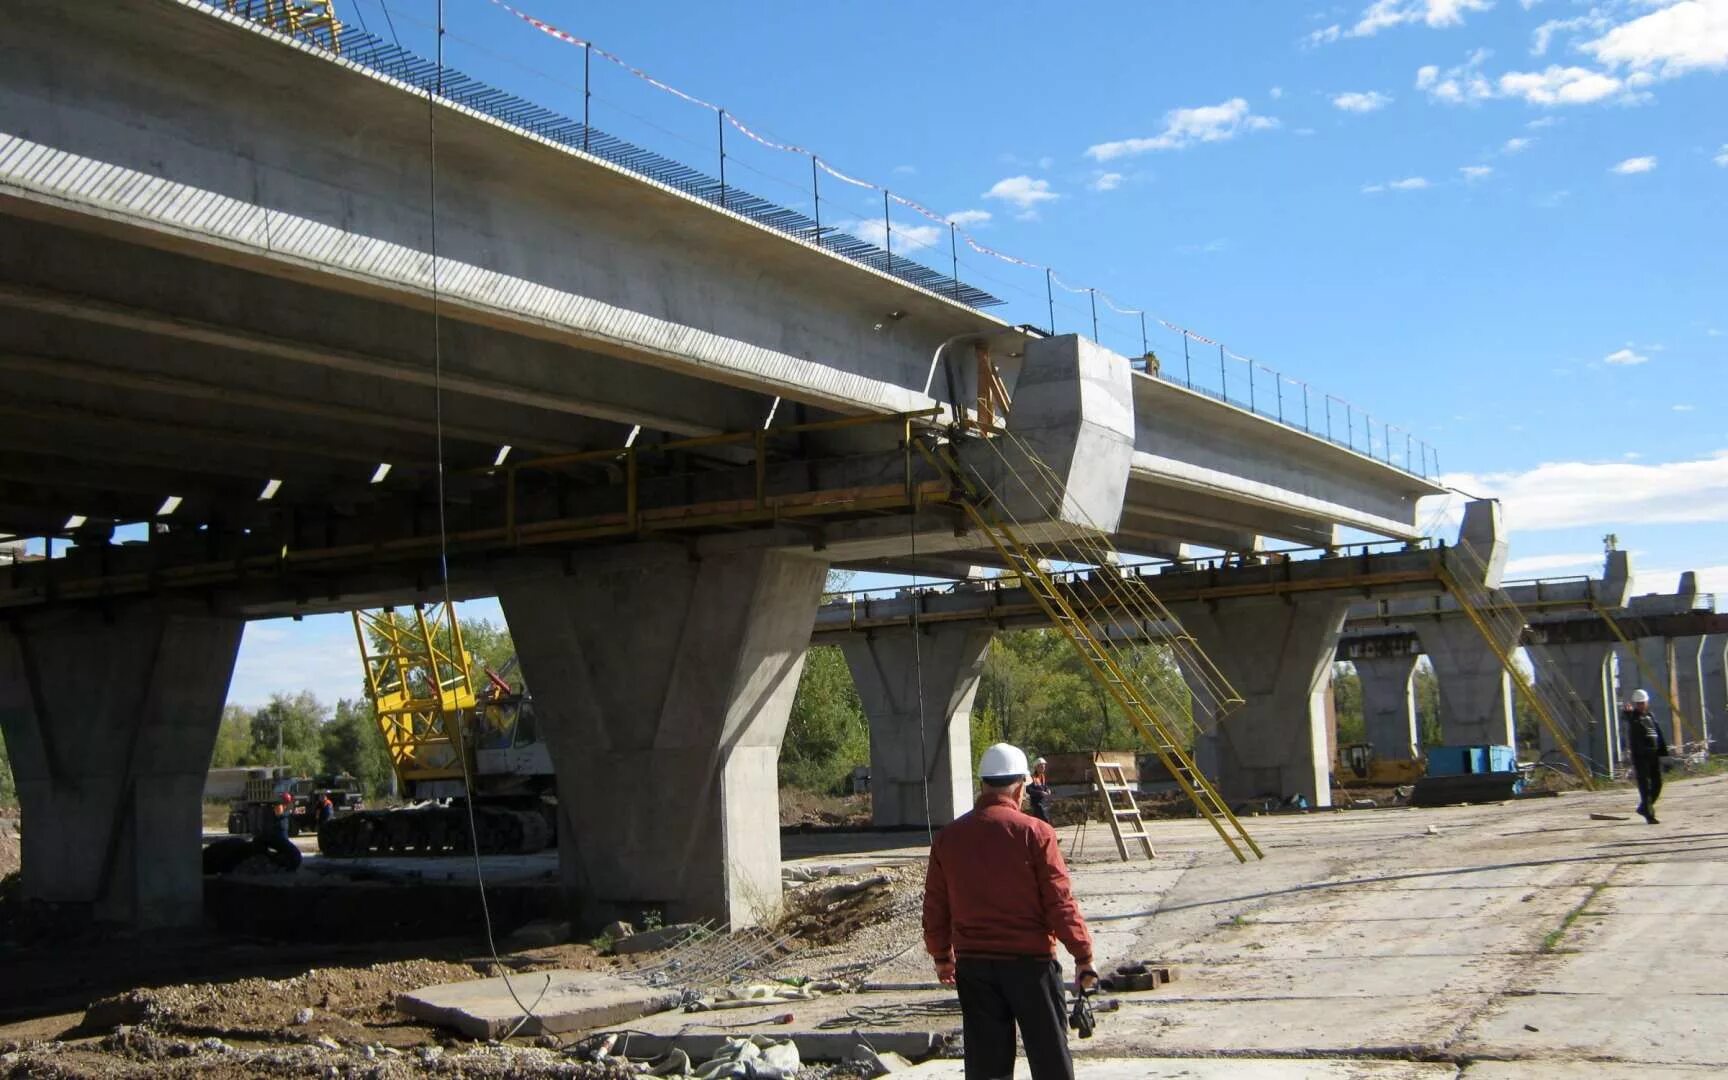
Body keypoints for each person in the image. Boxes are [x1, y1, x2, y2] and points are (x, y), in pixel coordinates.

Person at [923, 744, 1096, 1080]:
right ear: (1019, 787)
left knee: (986, 1068)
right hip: (1030, 967)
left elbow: (935, 906)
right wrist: (1083, 955)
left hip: (974, 967)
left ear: (983, 785)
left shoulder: (949, 837)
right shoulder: (1035, 833)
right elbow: (1059, 902)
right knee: (1050, 1062)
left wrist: (942, 956)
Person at [1623, 689, 1669, 824]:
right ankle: (1649, 815)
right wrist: (1627, 712)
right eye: (1638, 703)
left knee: (1658, 784)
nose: (1641, 705)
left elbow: (1658, 734)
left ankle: (1644, 808)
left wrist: (1664, 755)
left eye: (1643, 703)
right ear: (1635, 704)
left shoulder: (1650, 716)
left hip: (1654, 756)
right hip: (1641, 758)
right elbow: (1627, 718)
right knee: (1645, 787)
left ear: (1647, 702)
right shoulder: (1633, 717)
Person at [1026, 758, 1053, 824]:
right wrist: (1040, 793)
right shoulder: (1031, 777)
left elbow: (1044, 786)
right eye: (1041, 767)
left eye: (1044, 767)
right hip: (1036, 804)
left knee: (1042, 821)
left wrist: (1047, 789)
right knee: (1044, 820)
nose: (1043, 768)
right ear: (1036, 767)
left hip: (1043, 802)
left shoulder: (1042, 776)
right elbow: (1028, 790)